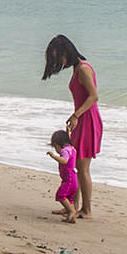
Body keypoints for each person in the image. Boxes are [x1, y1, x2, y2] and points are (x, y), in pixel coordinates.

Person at [42, 34, 102, 218]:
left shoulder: (83, 69)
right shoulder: (77, 68)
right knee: (74, 166)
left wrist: (76, 115)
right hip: (80, 119)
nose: (59, 61)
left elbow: (94, 96)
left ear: (66, 52)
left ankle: (87, 210)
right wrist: (75, 117)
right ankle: (73, 206)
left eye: (58, 56)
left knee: (82, 168)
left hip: (88, 120)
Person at [46, 129, 80, 220]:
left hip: (68, 179)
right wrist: (68, 132)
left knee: (60, 195)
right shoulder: (72, 148)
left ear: (57, 145)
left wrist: (54, 156)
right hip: (74, 178)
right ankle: (71, 217)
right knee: (69, 199)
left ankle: (72, 211)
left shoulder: (64, 151)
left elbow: (64, 160)